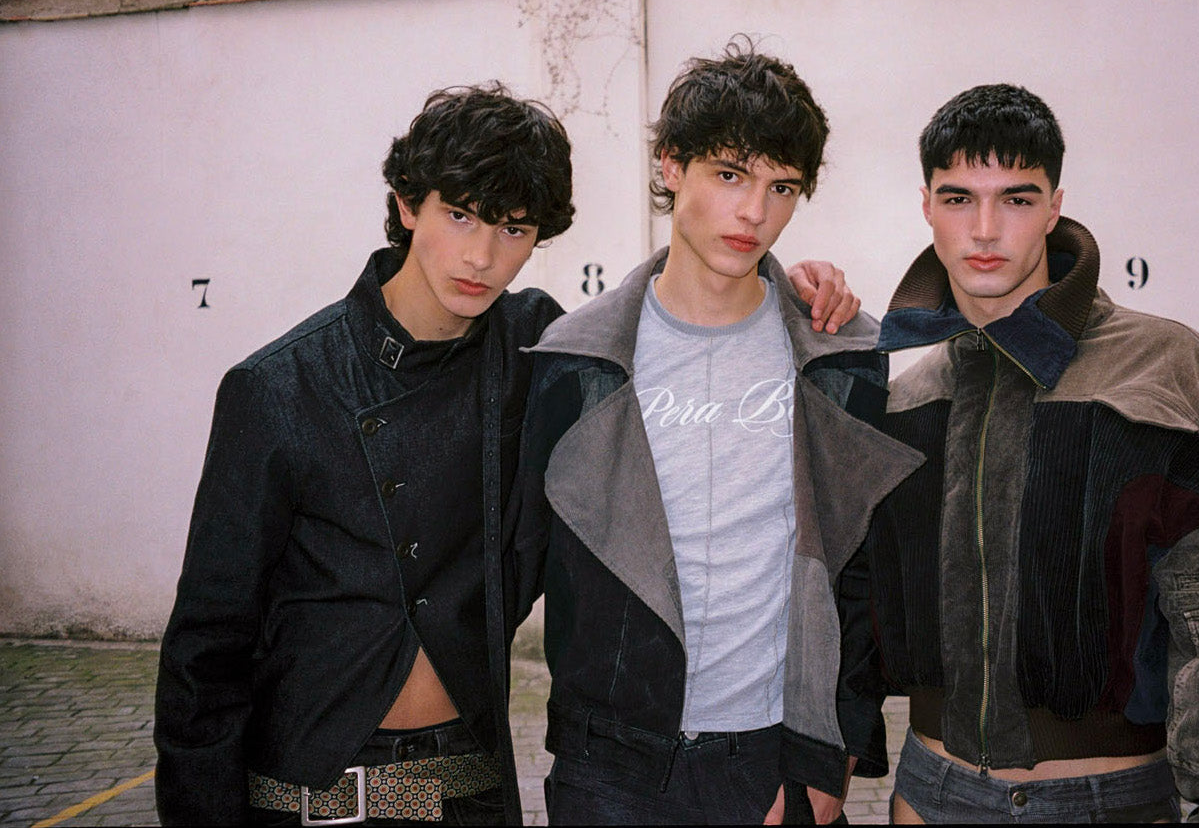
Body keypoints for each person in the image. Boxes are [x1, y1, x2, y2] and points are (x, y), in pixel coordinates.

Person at [154, 82, 857, 827]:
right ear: (407, 205)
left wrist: (792, 290)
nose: (482, 256)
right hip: (307, 795)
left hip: (472, 788)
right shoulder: (280, 386)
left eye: (513, 229)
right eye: (459, 215)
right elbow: (207, 645)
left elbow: (665, 309)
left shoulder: (541, 353)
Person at [866, 83, 1199, 822]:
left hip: (1106, 800)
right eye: (957, 198)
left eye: (1015, 198)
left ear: (1054, 206)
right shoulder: (908, 396)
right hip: (928, 794)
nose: (984, 228)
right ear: (926, 207)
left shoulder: (1161, 367)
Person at [512, 41, 925, 825]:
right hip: (610, 770)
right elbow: (524, 559)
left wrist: (833, 753)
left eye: (780, 187)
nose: (754, 211)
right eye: (730, 175)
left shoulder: (839, 359)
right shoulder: (577, 361)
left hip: (771, 763)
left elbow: (863, 568)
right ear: (671, 166)